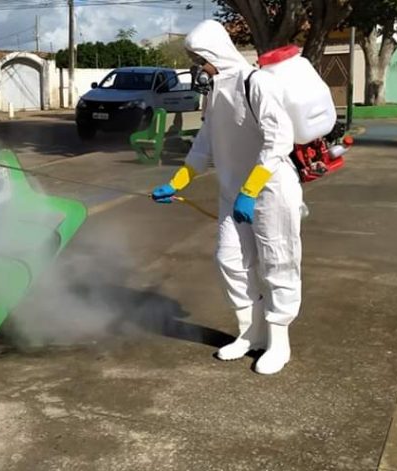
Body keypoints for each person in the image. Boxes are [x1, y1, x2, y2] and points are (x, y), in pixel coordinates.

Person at [151, 20, 304, 375]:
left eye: (200, 59)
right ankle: (250, 334)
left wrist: (251, 190)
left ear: (216, 53)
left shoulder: (256, 82)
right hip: (232, 192)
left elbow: (279, 139)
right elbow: (204, 145)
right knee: (229, 260)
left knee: (277, 263)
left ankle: (279, 343)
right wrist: (177, 182)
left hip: (270, 191)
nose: (198, 68)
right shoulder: (215, 93)